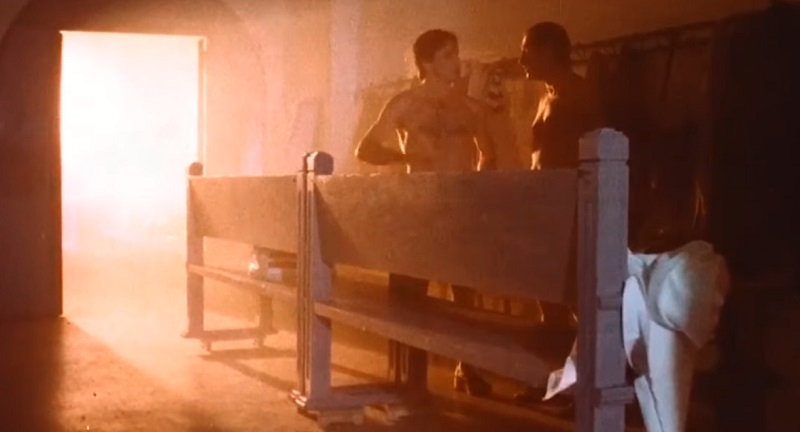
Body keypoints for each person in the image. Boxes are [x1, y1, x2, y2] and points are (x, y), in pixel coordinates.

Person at [355, 29, 497, 397]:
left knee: (466, 293)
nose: (457, 62)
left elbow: (488, 153)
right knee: (412, 292)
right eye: (448, 55)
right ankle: (409, 376)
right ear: (427, 63)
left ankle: (468, 367)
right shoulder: (405, 104)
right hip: (419, 208)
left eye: (456, 53)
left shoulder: (468, 108)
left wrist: (476, 186)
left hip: (459, 209)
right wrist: (407, 156)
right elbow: (366, 148)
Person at [513, 22, 605, 405]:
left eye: (528, 50)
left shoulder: (581, 95)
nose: (521, 59)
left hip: (575, 211)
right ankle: (552, 381)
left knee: (579, 301)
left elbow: (594, 154)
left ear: (549, 51)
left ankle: (584, 386)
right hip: (548, 210)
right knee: (548, 300)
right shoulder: (546, 95)